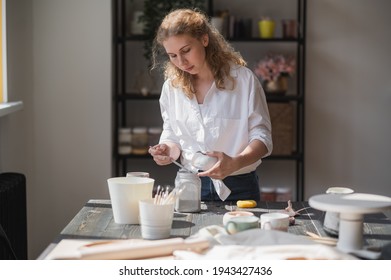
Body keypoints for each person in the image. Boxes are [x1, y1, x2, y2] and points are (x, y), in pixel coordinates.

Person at [148, 8, 272, 202]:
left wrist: (235, 163)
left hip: (239, 186)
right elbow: (172, 133)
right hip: (189, 185)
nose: (181, 62)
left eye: (186, 51)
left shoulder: (243, 80)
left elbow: (262, 138)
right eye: (172, 55)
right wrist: (167, 150)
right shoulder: (171, 87)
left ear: (204, 40)